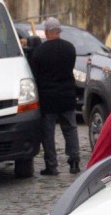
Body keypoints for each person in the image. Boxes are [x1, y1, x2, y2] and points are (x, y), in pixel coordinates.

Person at [29, 17, 80, 175]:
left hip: (48, 98)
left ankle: (51, 166)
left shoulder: (39, 52)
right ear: (59, 31)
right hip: (67, 96)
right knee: (70, 129)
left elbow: (35, 75)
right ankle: (74, 162)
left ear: (46, 32)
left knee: (48, 133)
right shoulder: (70, 48)